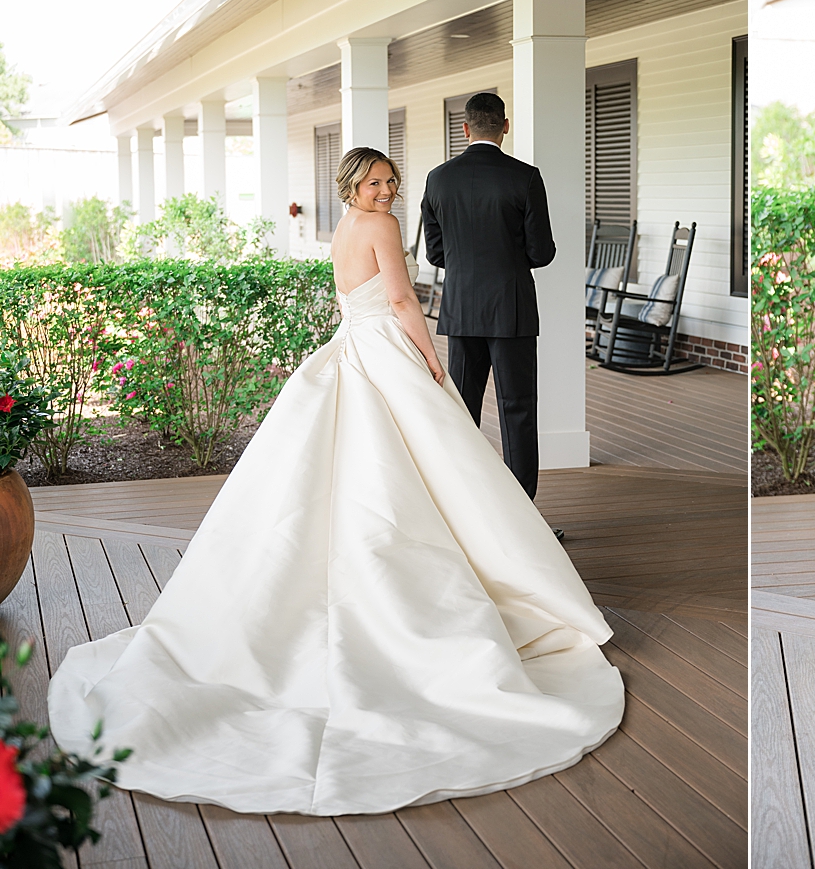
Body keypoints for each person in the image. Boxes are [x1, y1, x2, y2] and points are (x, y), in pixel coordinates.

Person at [47, 147, 623, 815]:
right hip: (386, 346)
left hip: (353, 342)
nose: (387, 189)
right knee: (431, 462)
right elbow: (402, 297)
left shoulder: (343, 228)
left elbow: (354, 299)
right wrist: (430, 359)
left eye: (389, 181)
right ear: (355, 184)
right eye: (376, 182)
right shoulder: (377, 225)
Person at [421, 93, 554, 519]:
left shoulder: (438, 179)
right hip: (511, 308)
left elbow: (436, 254)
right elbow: (542, 252)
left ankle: (464, 510)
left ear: (465, 129)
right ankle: (521, 516)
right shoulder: (526, 177)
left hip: (460, 309)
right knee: (517, 408)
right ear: (505, 126)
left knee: (461, 409)